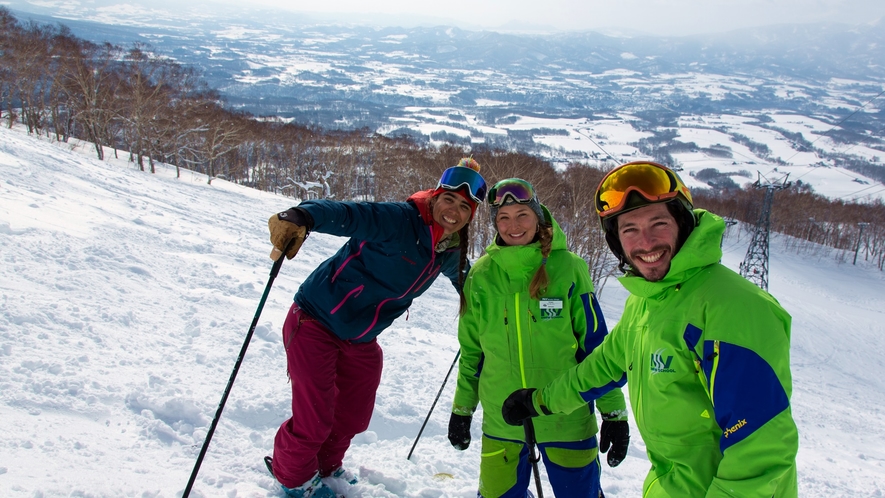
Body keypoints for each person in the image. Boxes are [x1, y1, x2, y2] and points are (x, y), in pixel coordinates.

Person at [501, 161, 799, 497]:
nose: (645, 243)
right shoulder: (646, 302)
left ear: (682, 224)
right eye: (629, 230)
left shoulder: (733, 308)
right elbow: (602, 369)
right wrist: (540, 401)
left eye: (659, 223)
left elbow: (761, 450)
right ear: (617, 242)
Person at [265, 158, 488, 498]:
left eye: (464, 206)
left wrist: (492, 306)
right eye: (448, 200)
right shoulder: (401, 220)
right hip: (316, 322)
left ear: (471, 214)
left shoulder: (449, 247)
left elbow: (467, 282)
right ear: (435, 197)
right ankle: (294, 479)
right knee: (314, 419)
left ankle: (326, 467)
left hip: (360, 338)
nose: (453, 211)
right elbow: (351, 215)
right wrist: (305, 215)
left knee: (353, 415)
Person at [448, 178, 629, 498]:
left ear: (538, 216)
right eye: (503, 218)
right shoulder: (481, 275)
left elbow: (596, 348)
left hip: (566, 417)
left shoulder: (569, 268)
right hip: (502, 421)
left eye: (522, 215)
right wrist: (463, 410)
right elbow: (472, 352)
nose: (513, 225)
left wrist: (612, 412)